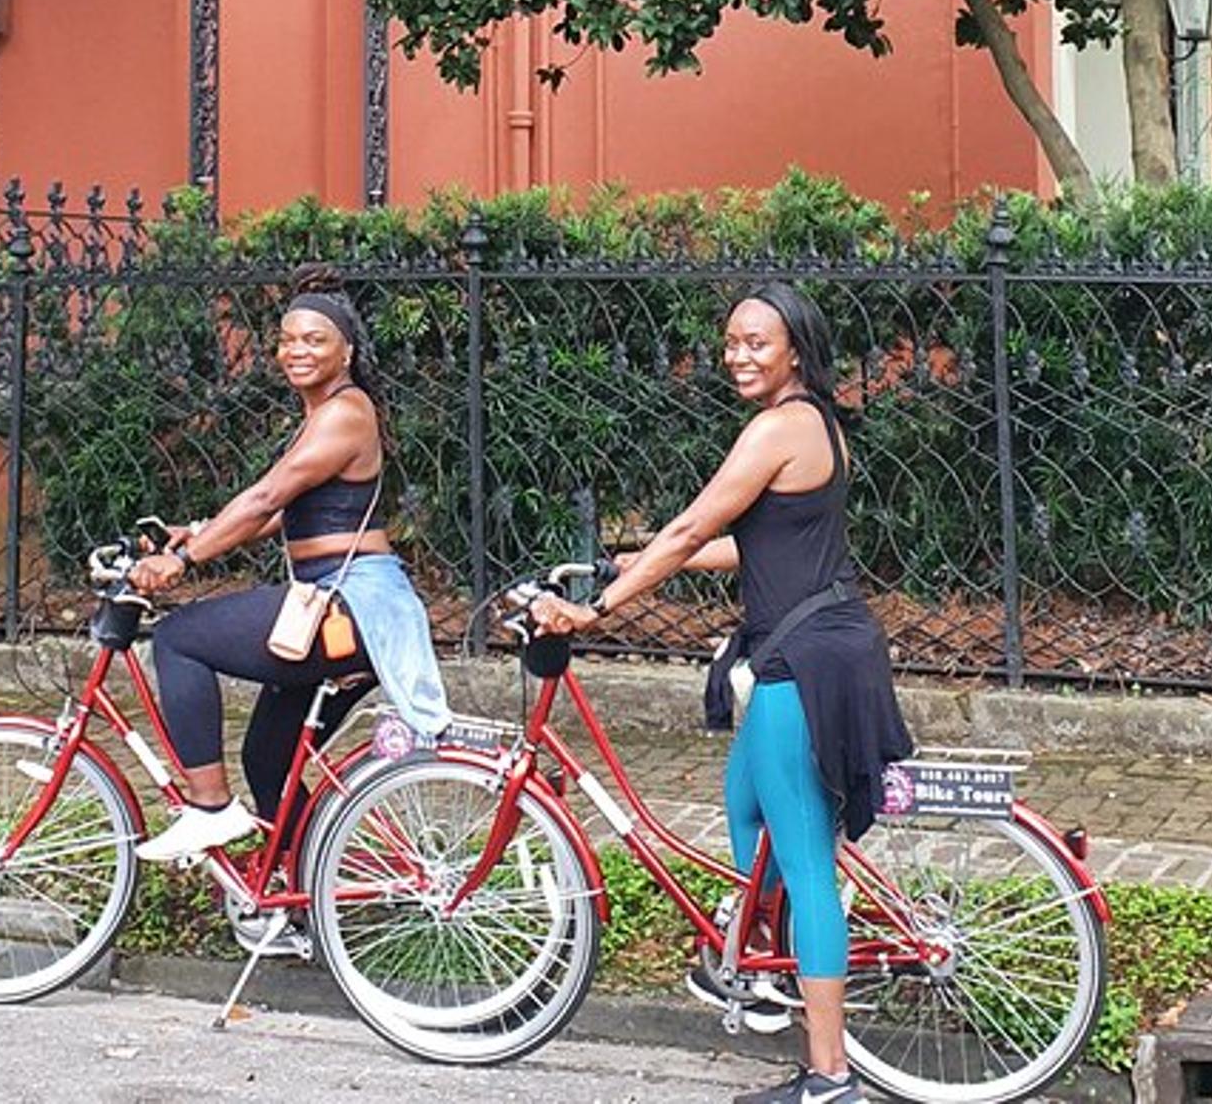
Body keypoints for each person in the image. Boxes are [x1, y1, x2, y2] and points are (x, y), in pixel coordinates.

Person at [530, 283, 912, 1104]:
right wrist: (621, 566)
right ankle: (770, 966)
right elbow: (752, 543)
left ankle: (830, 1075)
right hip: (823, 641)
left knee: (806, 864)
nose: (738, 354)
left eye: (755, 342)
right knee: (745, 804)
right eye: (731, 341)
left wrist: (595, 608)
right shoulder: (819, 426)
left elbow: (694, 528)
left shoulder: (778, 426)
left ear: (796, 351)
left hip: (802, 665)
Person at [128, 266, 451, 862]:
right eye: (287, 339)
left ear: (347, 351)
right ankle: (308, 907)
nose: (296, 350)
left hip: (350, 602)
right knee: (269, 759)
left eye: (314, 339)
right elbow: (282, 511)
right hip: (335, 601)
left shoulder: (344, 413)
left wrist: (184, 559)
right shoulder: (327, 414)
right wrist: (195, 532)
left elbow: (265, 498)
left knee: (178, 638)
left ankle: (209, 807)